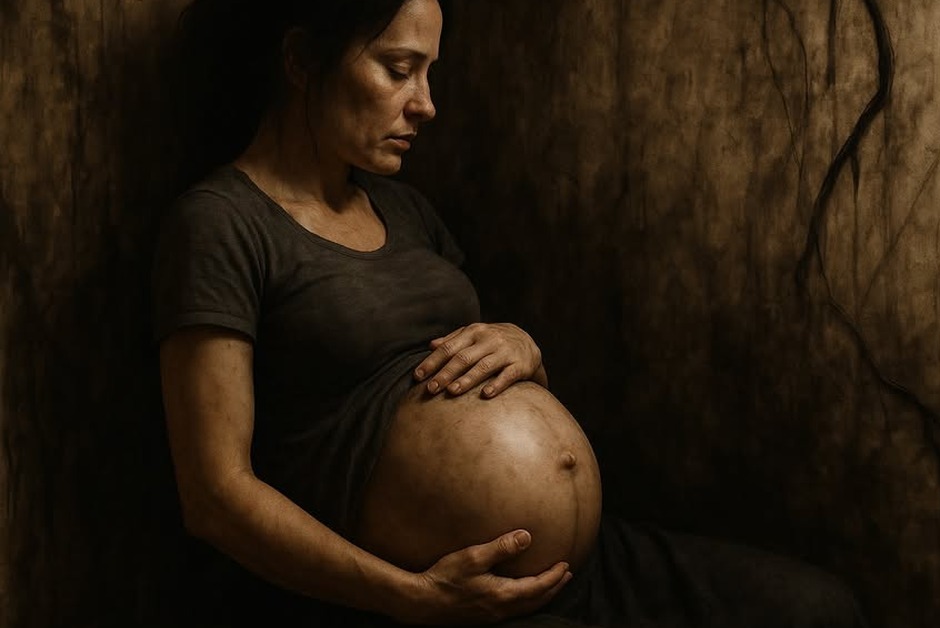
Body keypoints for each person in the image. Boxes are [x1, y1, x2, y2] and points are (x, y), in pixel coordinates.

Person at [153, 1, 869, 626]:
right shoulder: (221, 224)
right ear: (302, 59)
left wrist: (526, 347)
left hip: (585, 566)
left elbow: (483, 384)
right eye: (399, 69)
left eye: (428, 73)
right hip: (427, 600)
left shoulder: (404, 209)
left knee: (821, 609)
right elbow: (215, 496)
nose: (426, 103)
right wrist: (408, 596)